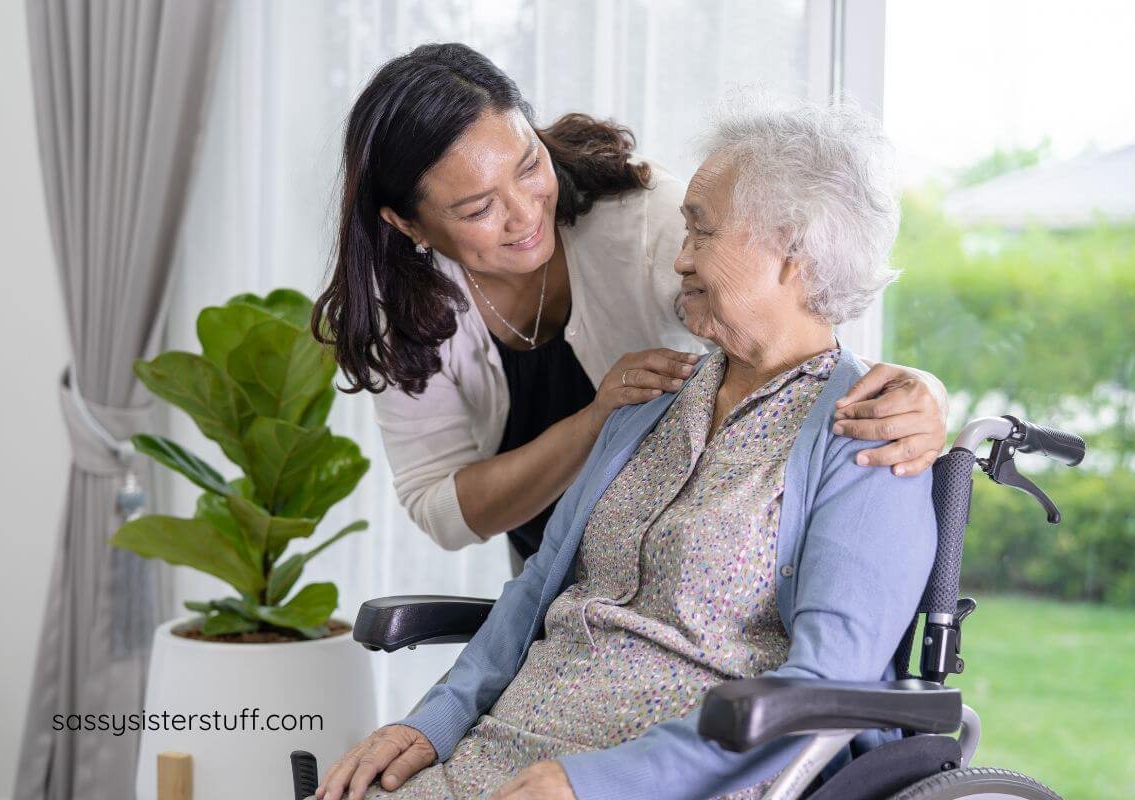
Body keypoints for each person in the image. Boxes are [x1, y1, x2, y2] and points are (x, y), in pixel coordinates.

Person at [316, 92, 938, 800]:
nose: (678, 260)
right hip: (507, 754)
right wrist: (430, 723)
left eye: (701, 235)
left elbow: (828, 683)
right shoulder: (649, 401)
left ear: (792, 253)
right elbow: (533, 590)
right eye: (685, 233)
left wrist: (599, 782)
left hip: (669, 778)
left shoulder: (866, 441)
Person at [311, 43, 948, 566]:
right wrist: (597, 421)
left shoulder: (652, 225)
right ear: (407, 225)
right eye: (479, 209)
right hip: (560, 585)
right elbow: (443, 510)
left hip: (684, 570)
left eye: (529, 165)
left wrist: (920, 394)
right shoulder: (400, 310)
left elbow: (803, 328)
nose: (526, 212)